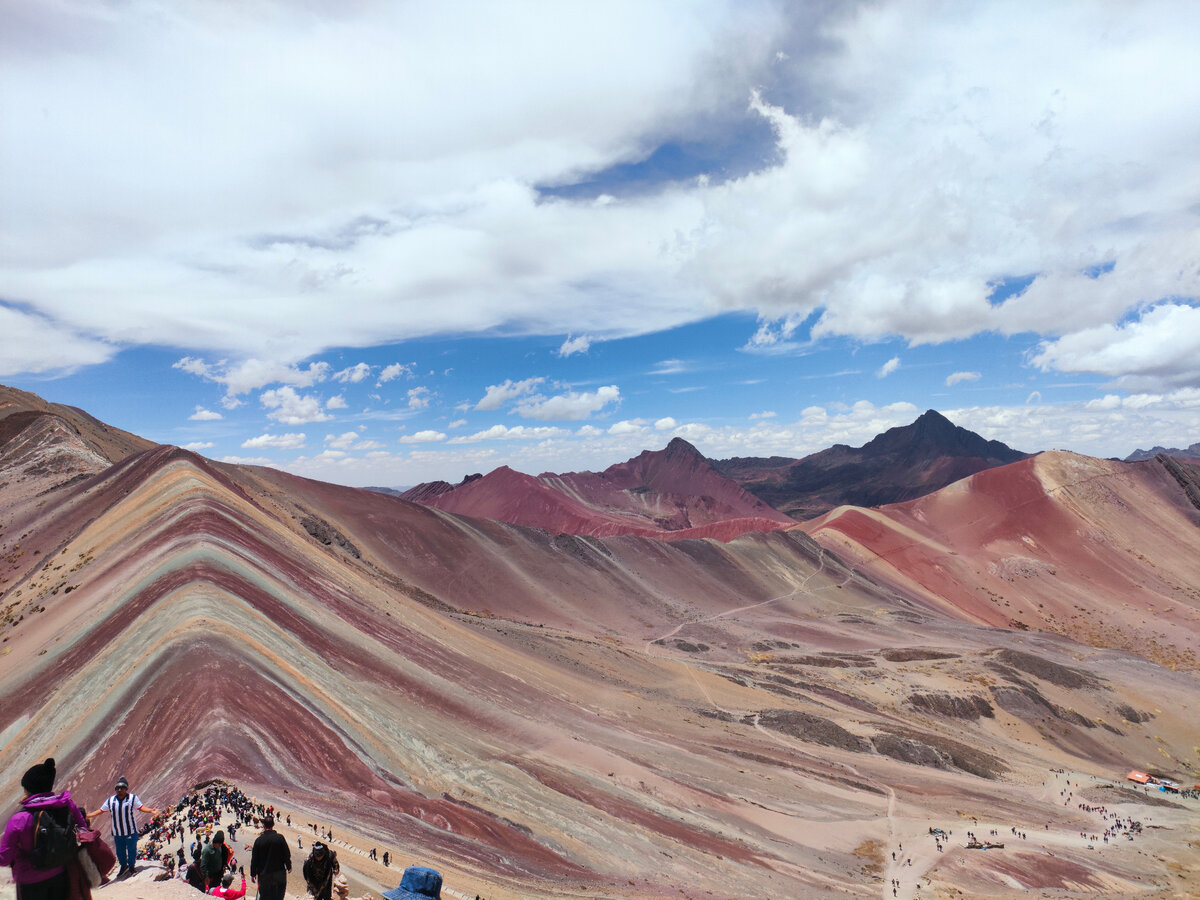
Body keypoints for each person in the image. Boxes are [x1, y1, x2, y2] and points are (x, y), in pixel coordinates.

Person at [0, 758, 90, 900]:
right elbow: (83, 831)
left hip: (29, 883)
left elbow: (3, 859)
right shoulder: (67, 806)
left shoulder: (19, 819)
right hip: (62, 874)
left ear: (29, 789)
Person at [88, 777, 159, 878]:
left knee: (131, 850)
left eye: (122, 788)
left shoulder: (132, 798)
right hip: (118, 832)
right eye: (117, 788)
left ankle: (131, 867)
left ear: (126, 789)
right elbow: (101, 811)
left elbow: (141, 807)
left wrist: (151, 811)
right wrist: (89, 815)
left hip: (130, 831)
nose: (119, 790)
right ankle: (123, 866)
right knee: (120, 852)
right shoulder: (110, 801)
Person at [250, 815, 291, 900]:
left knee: (265, 897)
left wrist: (253, 873)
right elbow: (286, 853)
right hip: (279, 874)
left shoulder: (259, 841)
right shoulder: (280, 838)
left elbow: (254, 859)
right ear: (273, 825)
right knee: (279, 897)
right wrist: (289, 866)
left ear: (264, 826)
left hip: (264, 875)